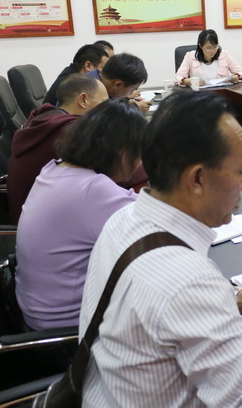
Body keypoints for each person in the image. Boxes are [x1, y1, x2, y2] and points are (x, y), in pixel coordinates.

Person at [79, 90, 242, 407]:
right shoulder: (190, 281)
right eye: (240, 170)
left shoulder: (123, 219)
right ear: (197, 179)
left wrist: (239, 300)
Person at [15, 98, 147, 331]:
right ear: (123, 153)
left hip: (36, 311)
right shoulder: (92, 190)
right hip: (67, 330)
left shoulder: (55, 167)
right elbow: (156, 219)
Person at [7, 74, 110, 224]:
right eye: (104, 103)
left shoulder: (45, 118)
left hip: (30, 214)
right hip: (44, 223)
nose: (107, 110)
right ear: (83, 100)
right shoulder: (70, 132)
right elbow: (112, 170)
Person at [43, 44, 110, 106]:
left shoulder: (70, 73)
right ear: (88, 66)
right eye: (103, 68)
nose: (104, 73)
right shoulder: (70, 84)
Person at [176, 29, 242, 87]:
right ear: (201, 46)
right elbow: (177, 78)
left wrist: (237, 77)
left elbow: (240, 72)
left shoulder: (224, 55)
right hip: (199, 95)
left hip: (221, 93)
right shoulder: (190, 57)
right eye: (209, 48)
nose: (213, 51)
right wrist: (189, 81)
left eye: (215, 47)